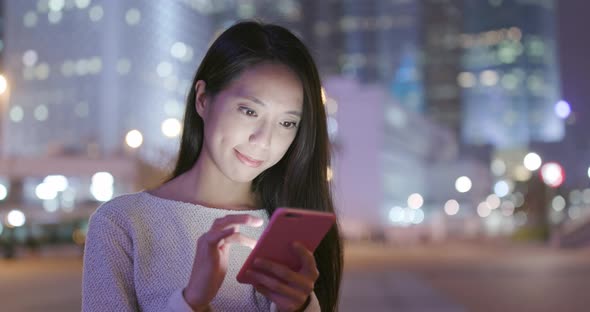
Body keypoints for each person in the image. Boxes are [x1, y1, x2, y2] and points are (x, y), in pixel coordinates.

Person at [82, 21, 343, 312]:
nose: (263, 140)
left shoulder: (292, 232)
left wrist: (299, 307)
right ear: (203, 99)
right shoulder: (122, 223)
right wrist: (192, 301)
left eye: (286, 123)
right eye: (249, 110)